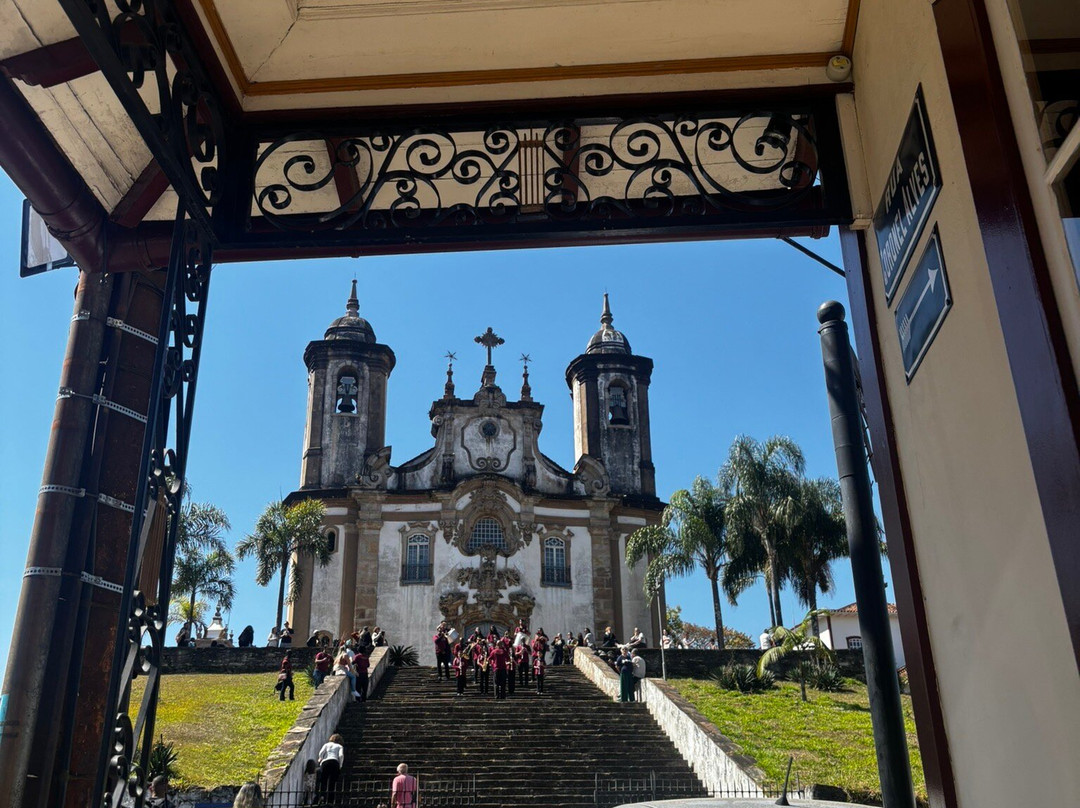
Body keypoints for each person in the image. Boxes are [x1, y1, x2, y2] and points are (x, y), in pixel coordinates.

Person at [317, 733, 345, 799]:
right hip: (335, 762)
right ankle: (330, 799)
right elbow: (341, 755)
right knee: (332, 782)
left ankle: (322, 796)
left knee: (323, 780)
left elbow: (321, 752)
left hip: (325, 762)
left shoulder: (326, 744)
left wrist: (320, 758)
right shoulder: (340, 746)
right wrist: (340, 765)